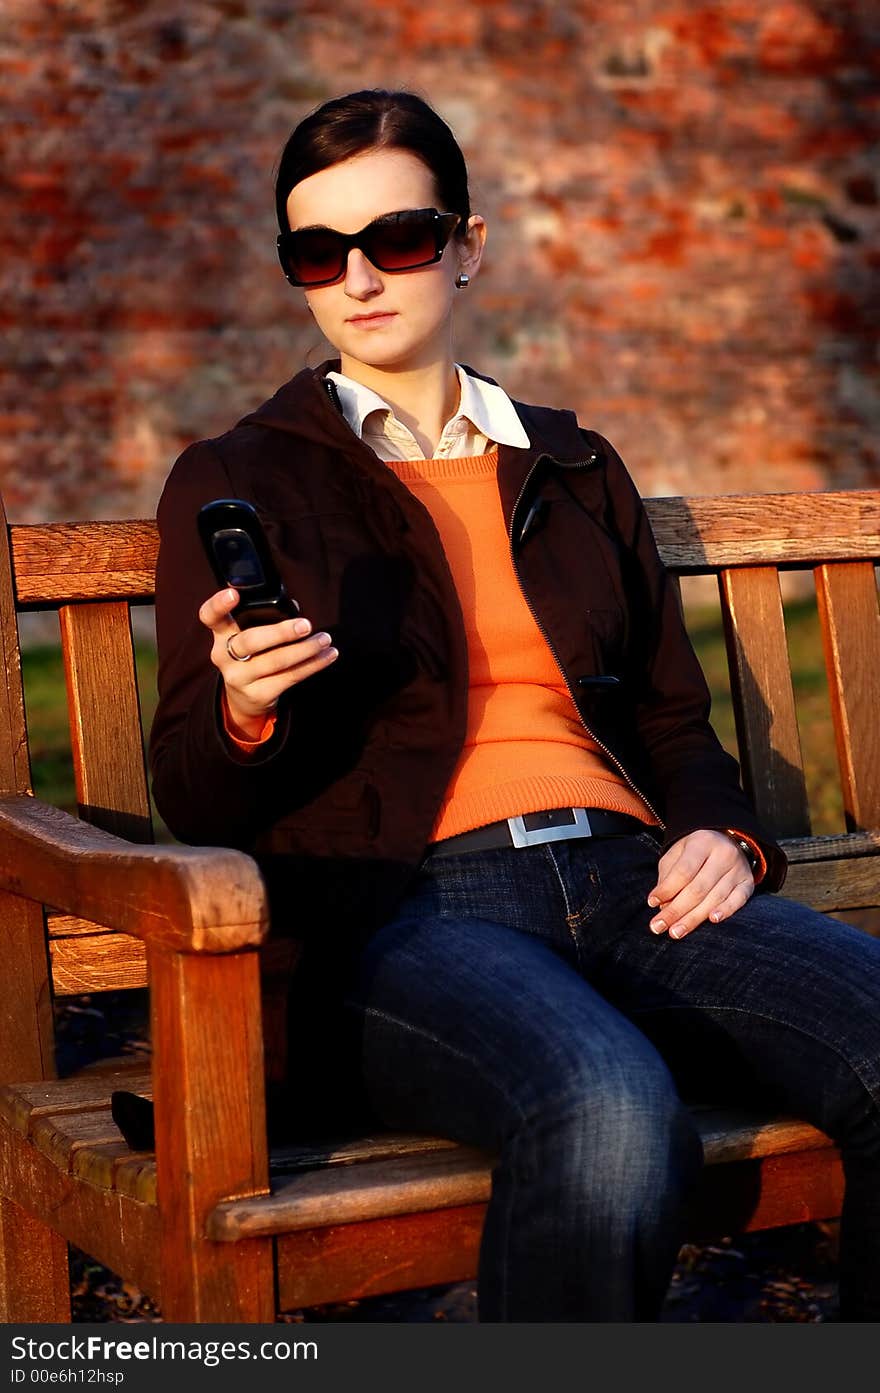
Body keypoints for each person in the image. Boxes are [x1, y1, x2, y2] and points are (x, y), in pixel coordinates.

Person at [149, 88, 880, 1323]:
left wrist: (724, 834)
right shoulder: (238, 477)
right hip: (411, 914)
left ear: (469, 246)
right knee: (606, 1107)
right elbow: (191, 790)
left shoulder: (575, 464)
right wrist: (242, 709)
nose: (360, 278)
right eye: (316, 253)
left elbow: (668, 718)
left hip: (633, 878)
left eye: (400, 238)